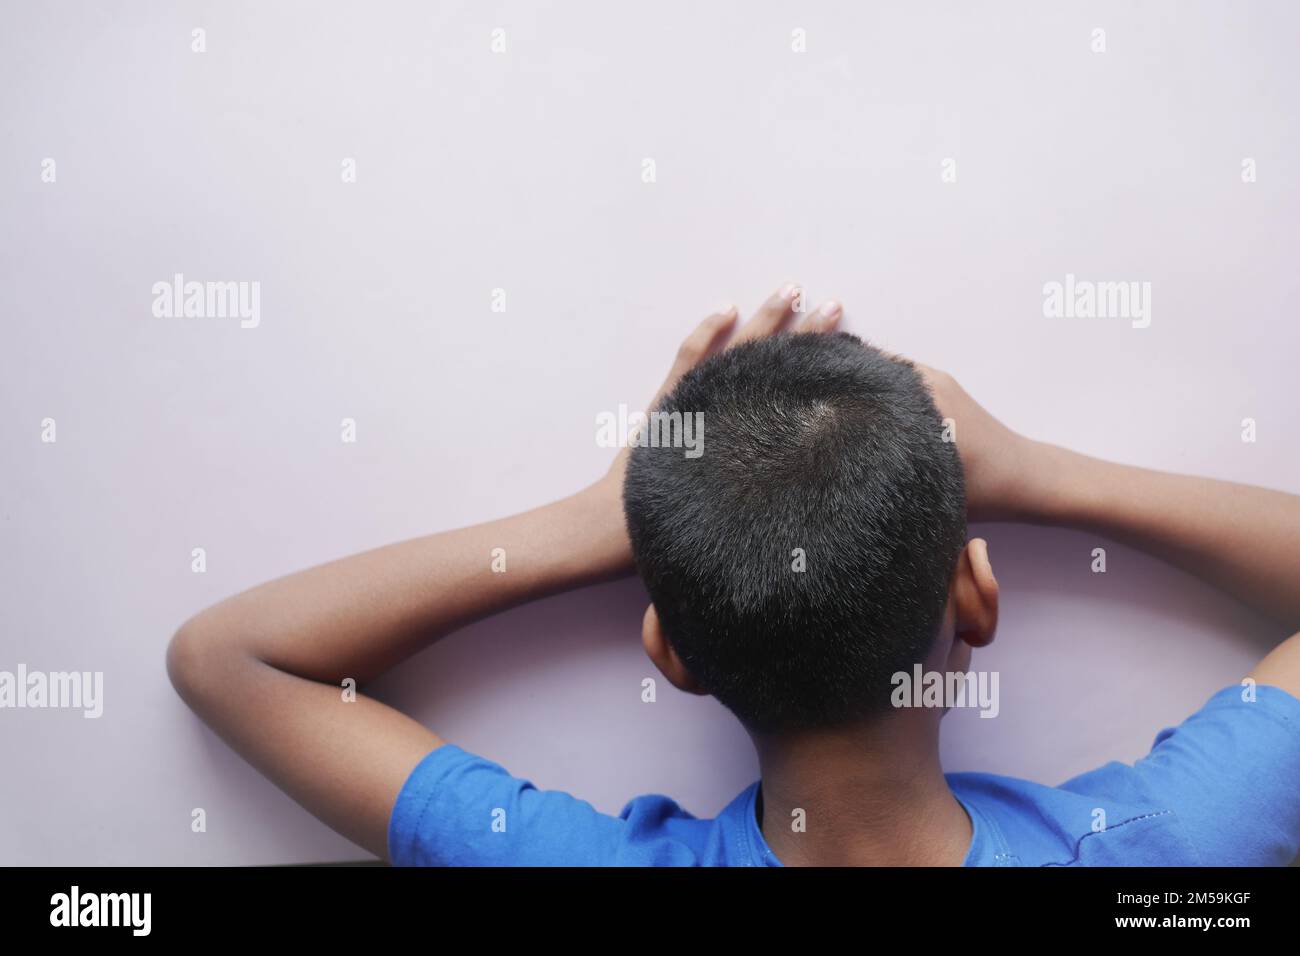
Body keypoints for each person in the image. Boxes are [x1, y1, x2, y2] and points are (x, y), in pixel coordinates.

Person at [166, 285, 1300, 866]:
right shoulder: (1160, 860)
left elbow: (230, 659)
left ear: (668, 649)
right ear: (975, 597)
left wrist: (594, 519)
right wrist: (1041, 471)